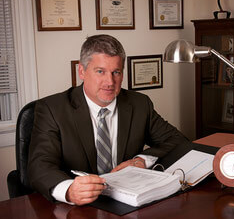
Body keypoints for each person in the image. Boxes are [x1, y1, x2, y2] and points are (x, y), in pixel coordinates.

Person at [28, 34, 192, 206]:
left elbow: (178, 141)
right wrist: (69, 190)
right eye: (100, 71)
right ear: (82, 71)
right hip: (78, 206)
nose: (110, 82)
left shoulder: (139, 104)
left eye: (116, 72)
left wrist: (142, 160)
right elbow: (39, 165)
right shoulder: (52, 109)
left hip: (128, 201)